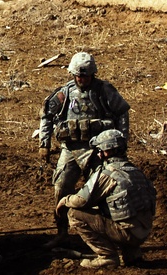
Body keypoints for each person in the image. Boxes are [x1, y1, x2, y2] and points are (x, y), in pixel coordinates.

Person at [38, 51, 130, 248]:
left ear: (93, 74)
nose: (81, 79)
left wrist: (121, 141)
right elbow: (46, 115)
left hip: (98, 151)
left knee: (99, 192)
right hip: (70, 149)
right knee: (60, 188)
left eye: (85, 75)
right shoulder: (65, 93)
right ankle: (62, 232)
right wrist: (43, 144)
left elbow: (122, 112)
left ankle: (103, 234)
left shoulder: (104, 92)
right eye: (78, 75)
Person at [56, 129, 156, 269]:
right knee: (110, 209)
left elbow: (82, 200)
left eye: (100, 150)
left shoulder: (108, 174)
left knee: (74, 213)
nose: (98, 153)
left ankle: (106, 256)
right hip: (143, 232)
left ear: (107, 152)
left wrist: (65, 200)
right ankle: (131, 253)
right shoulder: (135, 171)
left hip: (127, 233)